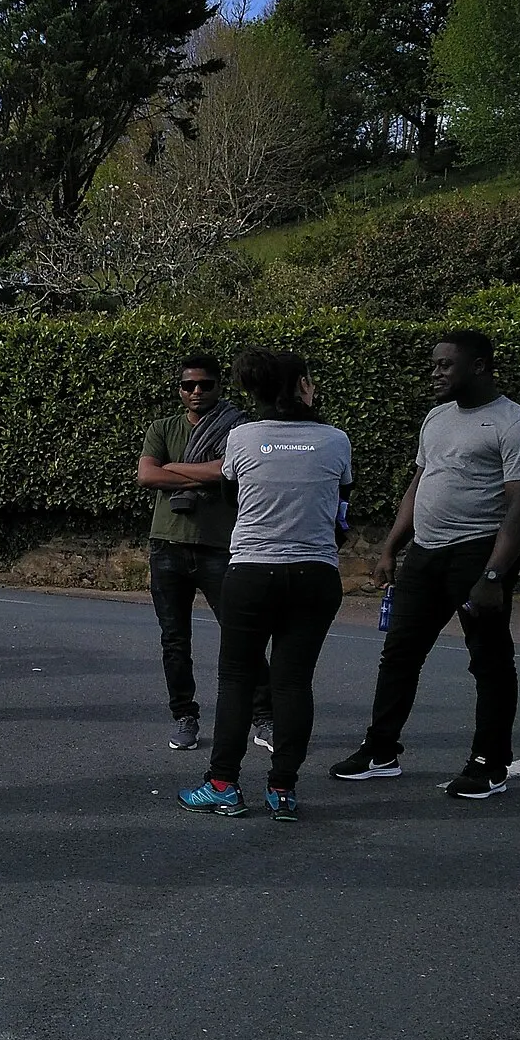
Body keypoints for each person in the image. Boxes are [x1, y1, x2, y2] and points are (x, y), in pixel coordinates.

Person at [331, 330, 520, 799]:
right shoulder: (436, 418)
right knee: (400, 653)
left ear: (480, 366)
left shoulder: (515, 425)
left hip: (477, 554)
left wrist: (492, 574)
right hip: (425, 553)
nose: (436, 373)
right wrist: (391, 546)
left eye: (447, 364)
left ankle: (489, 764)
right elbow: (419, 484)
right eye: (434, 364)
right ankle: (381, 750)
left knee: (489, 662)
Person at [178, 350, 353, 821]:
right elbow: (341, 513)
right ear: (301, 385)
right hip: (316, 573)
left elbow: (237, 494)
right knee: (293, 682)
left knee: (237, 679)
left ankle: (223, 784)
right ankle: (283, 790)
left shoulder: (242, 438)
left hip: (253, 570)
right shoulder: (336, 441)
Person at [137, 353, 276, 752]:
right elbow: (147, 474)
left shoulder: (238, 430)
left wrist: (175, 470)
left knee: (241, 636)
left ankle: (263, 717)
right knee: (174, 641)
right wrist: (207, 474)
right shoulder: (162, 427)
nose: (196, 391)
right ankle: (185, 716)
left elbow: (229, 471)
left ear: (219, 387)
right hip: (167, 545)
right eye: (188, 385)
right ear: (179, 389)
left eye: (205, 384)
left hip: (219, 546)